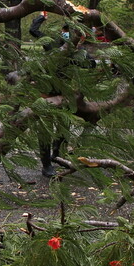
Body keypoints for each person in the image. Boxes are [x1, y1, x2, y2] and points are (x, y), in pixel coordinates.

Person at [28, 12, 95, 176]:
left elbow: (91, 64)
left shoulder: (78, 50)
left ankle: (57, 156)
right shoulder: (53, 44)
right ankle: (46, 165)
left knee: (64, 127)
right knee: (45, 130)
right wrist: (42, 17)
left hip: (65, 95)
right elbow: (34, 31)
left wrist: (80, 54)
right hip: (47, 94)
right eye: (67, 31)